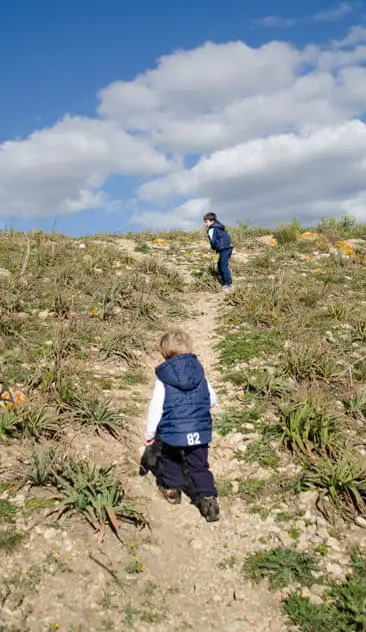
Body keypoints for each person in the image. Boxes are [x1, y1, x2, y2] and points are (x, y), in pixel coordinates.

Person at [144, 329, 220, 522]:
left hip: (173, 432)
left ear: (163, 355)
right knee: (200, 465)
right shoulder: (199, 373)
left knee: (169, 458)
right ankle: (208, 499)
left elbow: (156, 408)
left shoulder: (164, 377)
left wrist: (150, 432)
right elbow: (212, 399)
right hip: (199, 430)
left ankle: (172, 490)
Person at [203, 212, 233, 290]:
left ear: (212, 221)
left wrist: (214, 247)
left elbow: (213, 241)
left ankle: (228, 284)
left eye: (206, 222)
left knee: (223, 266)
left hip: (224, 248)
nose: (205, 224)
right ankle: (225, 281)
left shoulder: (212, 229)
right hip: (228, 247)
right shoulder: (220, 227)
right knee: (220, 265)